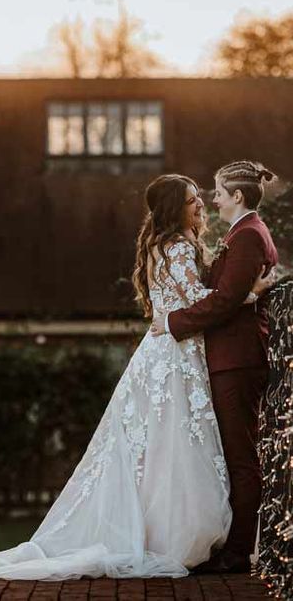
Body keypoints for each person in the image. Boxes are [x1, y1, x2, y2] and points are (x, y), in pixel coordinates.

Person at [0, 173, 274, 580]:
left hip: (170, 351)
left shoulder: (172, 245)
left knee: (159, 450)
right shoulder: (176, 248)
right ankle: (172, 535)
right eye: (192, 199)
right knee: (171, 447)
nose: (201, 204)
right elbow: (202, 300)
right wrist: (251, 292)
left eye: (201, 197)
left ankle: (162, 530)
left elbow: (192, 299)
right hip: (175, 355)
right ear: (175, 207)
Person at [150, 161, 279, 574]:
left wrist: (171, 322)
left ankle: (239, 551)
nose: (212, 198)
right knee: (233, 455)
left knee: (241, 457)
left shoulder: (246, 236)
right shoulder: (242, 234)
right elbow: (227, 295)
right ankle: (234, 545)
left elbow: (223, 300)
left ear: (237, 196)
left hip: (236, 360)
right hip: (228, 358)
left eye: (218, 191)